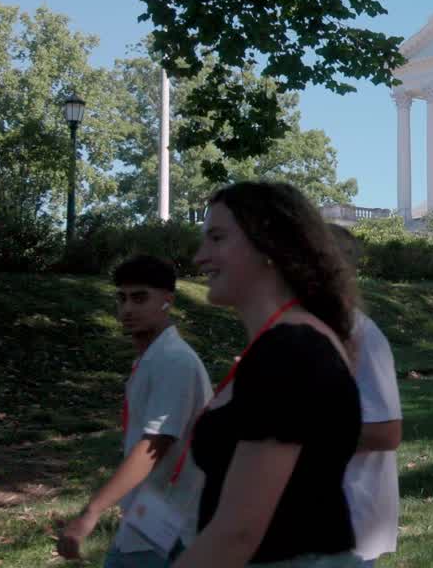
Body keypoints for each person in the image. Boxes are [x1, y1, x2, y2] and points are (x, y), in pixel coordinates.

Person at [173, 182, 362, 568]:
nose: (199, 256)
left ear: (270, 247)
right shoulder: (287, 343)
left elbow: (237, 533)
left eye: (217, 238)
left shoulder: (291, 349)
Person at [57, 255, 211, 567]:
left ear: (168, 300)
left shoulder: (173, 360)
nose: (127, 309)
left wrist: (91, 512)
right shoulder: (153, 357)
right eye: (122, 298)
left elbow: (154, 445)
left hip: (169, 525)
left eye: (140, 298)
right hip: (152, 518)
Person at [329, 224, 404, 568]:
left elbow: (387, 432)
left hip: (349, 522)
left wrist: (300, 432)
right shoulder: (314, 331)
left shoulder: (362, 336)